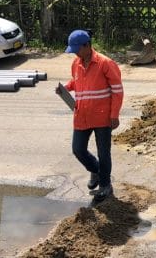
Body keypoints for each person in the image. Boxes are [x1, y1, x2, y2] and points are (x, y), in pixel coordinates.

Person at [56, 29, 123, 202]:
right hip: (82, 115)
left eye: (77, 49)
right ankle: (95, 169)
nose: (75, 53)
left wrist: (114, 115)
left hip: (102, 117)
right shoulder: (76, 64)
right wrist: (66, 88)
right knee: (78, 149)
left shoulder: (105, 63)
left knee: (104, 153)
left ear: (87, 46)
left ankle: (105, 185)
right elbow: (76, 81)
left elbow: (117, 91)